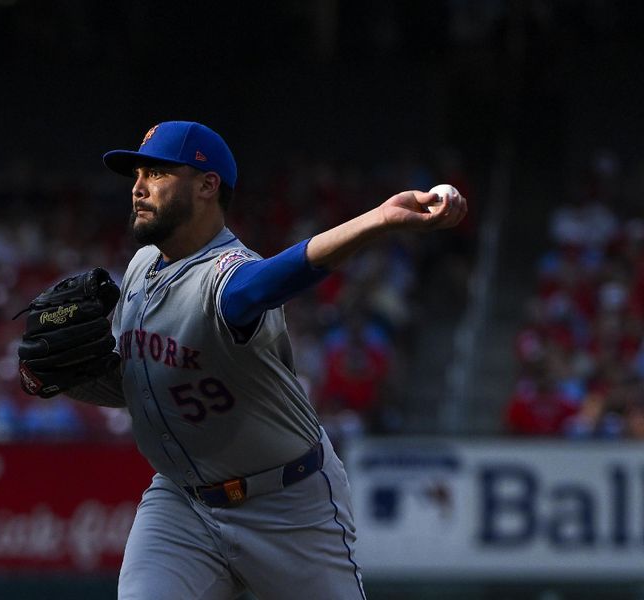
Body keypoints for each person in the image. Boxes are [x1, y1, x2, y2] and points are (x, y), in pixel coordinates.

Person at [67, 121, 467, 599]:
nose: (138, 188)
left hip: (286, 506)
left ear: (206, 185)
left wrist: (377, 220)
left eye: (156, 174)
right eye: (136, 175)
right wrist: (54, 379)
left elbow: (271, 281)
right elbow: (140, 382)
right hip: (181, 503)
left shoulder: (227, 277)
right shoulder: (139, 266)